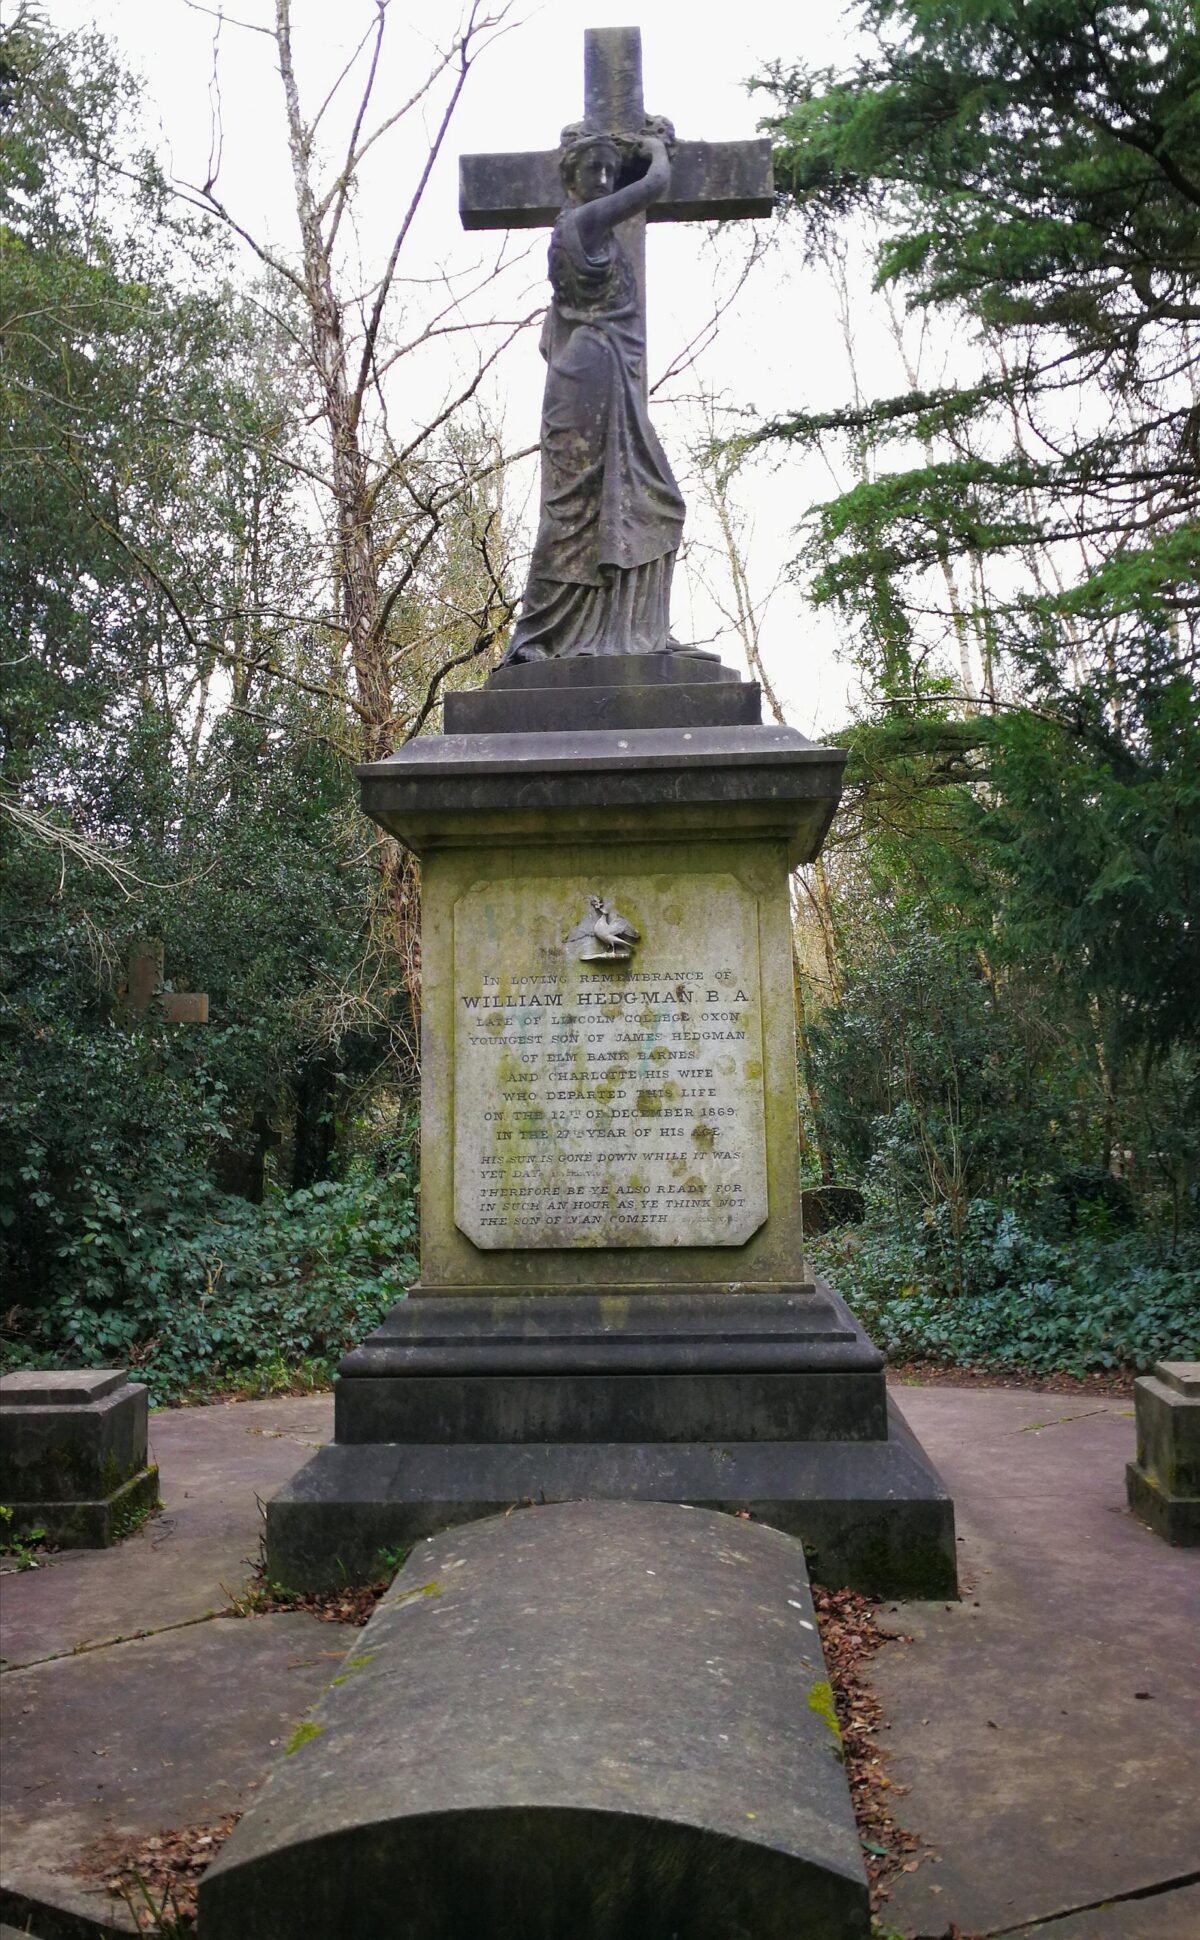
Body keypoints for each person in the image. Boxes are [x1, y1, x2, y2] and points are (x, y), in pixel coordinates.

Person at [502, 118, 686, 664]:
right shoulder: (581, 222)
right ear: (572, 178)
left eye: (610, 168)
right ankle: (539, 635)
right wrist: (653, 149)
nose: (604, 178)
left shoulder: (589, 230)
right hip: (587, 379)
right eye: (593, 169)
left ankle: (628, 633)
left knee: (645, 502)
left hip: (602, 374)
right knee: (573, 508)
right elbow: (653, 187)